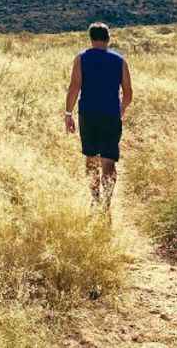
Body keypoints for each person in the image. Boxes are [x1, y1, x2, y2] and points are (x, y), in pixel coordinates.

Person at [64, 22, 132, 212]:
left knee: (91, 158)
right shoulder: (120, 61)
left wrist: (68, 114)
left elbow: (74, 87)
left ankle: (95, 200)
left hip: (88, 114)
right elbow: (128, 92)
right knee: (109, 161)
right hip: (111, 115)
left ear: (91, 39)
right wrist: (121, 109)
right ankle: (107, 204)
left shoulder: (81, 59)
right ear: (108, 38)